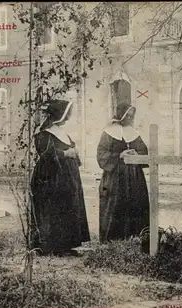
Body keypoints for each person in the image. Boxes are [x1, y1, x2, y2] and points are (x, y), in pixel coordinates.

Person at [30, 99, 90, 256]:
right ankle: (52, 246)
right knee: (55, 207)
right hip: (51, 177)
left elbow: (71, 149)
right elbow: (45, 154)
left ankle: (67, 245)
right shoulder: (44, 135)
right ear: (59, 115)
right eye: (66, 114)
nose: (68, 118)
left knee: (68, 206)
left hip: (67, 177)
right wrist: (65, 153)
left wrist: (74, 152)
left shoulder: (64, 133)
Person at [97, 103, 150, 243]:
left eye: (132, 116)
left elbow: (144, 151)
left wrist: (135, 153)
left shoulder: (133, 133)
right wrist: (119, 155)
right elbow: (102, 154)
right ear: (122, 116)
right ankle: (114, 239)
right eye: (128, 115)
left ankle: (135, 237)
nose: (130, 118)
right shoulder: (109, 133)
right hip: (115, 176)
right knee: (116, 204)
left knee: (136, 202)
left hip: (134, 175)